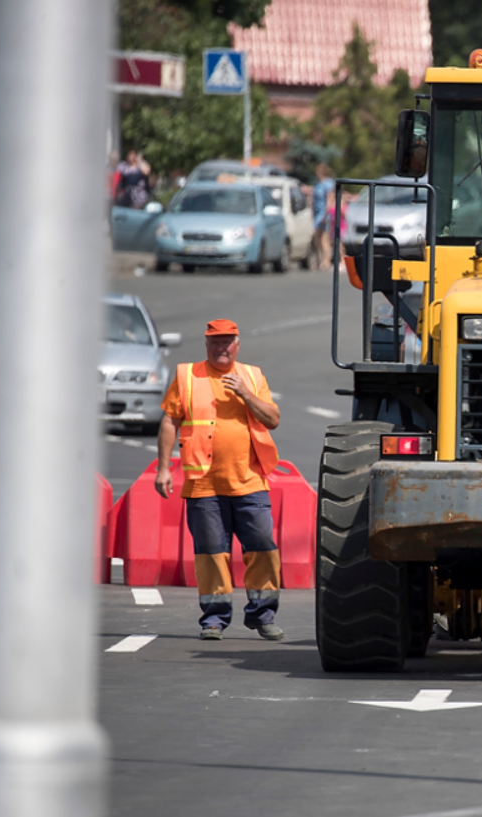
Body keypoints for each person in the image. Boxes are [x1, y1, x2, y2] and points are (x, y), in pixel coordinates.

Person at [154, 319, 285, 641]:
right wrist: (162, 468)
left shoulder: (252, 376)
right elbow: (170, 421)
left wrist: (244, 393)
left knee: (263, 550)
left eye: (227, 342)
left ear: (237, 345)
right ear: (206, 345)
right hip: (203, 484)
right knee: (211, 555)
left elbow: (272, 419)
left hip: (250, 481)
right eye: (215, 342)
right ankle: (213, 620)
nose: (221, 347)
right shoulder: (187, 375)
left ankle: (262, 615)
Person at [311, 162, 335, 270]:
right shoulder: (318, 183)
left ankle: (327, 260)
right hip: (316, 212)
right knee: (316, 237)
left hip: (324, 212)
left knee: (324, 238)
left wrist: (326, 214)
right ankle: (318, 259)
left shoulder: (328, 183)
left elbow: (330, 199)